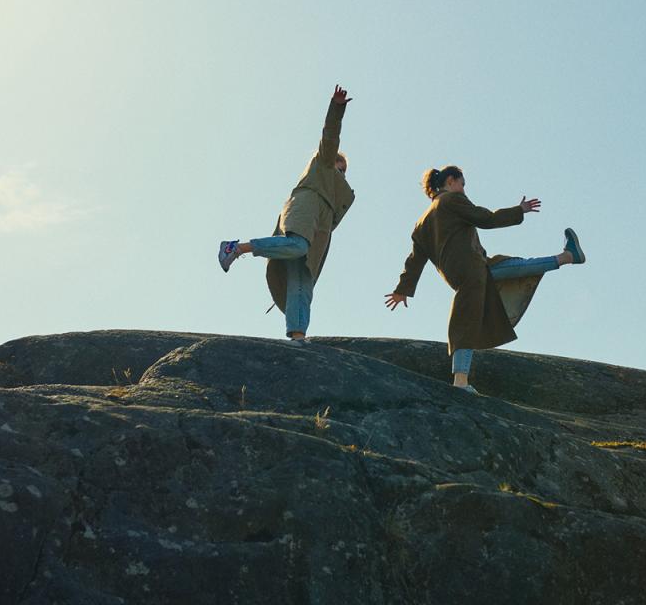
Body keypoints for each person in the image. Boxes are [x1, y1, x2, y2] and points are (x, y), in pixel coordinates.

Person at [385, 165, 585, 393]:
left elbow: (414, 260)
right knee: (465, 324)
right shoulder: (451, 200)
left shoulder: (421, 223)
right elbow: (486, 218)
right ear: (450, 181)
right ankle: (460, 382)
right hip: (473, 268)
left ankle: (568, 256)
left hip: (465, 273)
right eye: (462, 183)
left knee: (516, 269)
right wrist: (519, 210)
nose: (463, 189)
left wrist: (402, 289)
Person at [217, 85, 355, 343]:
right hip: (304, 209)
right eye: (340, 166)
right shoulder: (322, 168)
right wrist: (337, 108)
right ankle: (235, 248)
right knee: (297, 245)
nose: (342, 173)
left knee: (302, 284)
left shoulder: (338, 199)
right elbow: (330, 136)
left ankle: (298, 337)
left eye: (345, 170)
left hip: (319, 229)